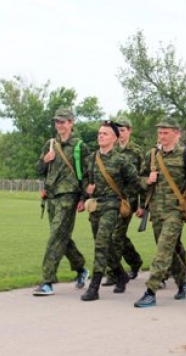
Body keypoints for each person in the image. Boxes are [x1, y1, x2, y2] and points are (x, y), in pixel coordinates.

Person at [134, 116, 186, 308]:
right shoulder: (152, 155)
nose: (162, 136)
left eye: (166, 133)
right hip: (156, 210)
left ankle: (150, 291)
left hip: (176, 210)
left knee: (163, 250)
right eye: (160, 133)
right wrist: (147, 180)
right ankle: (182, 283)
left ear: (176, 134)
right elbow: (139, 180)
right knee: (170, 250)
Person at [81, 121, 142, 301]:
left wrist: (126, 200)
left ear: (114, 138)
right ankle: (121, 274)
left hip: (113, 206)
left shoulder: (122, 160)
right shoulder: (91, 159)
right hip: (95, 206)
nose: (101, 136)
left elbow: (135, 182)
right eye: (99, 133)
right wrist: (87, 189)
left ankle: (94, 287)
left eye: (105, 134)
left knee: (101, 244)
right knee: (104, 246)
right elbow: (84, 181)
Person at [33, 108, 90, 296]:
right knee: (61, 237)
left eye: (63, 122)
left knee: (56, 236)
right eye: (57, 122)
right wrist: (44, 160)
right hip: (51, 196)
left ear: (71, 123)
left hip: (69, 196)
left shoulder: (79, 146)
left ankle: (47, 281)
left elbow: (88, 175)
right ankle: (81, 268)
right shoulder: (50, 145)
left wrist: (83, 198)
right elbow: (39, 170)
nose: (60, 125)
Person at [102, 117, 144, 286]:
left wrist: (142, 205)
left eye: (123, 130)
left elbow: (141, 178)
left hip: (129, 201)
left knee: (116, 235)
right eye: (117, 130)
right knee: (117, 236)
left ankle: (113, 273)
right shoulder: (113, 151)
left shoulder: (136, 152)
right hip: (112, 200)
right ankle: (135, 261)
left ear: (130, 131)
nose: (120, 133)